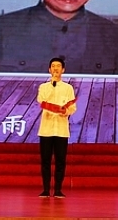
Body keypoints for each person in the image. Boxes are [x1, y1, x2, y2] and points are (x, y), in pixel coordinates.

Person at [36, 57, 77, 198]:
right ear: (49, 69)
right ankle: (46, 189)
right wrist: (52, 85)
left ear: (63, 70)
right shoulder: (43, 87)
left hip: (61, 129)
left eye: (58, 66)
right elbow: (41, 100)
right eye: (53, 66)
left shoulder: (68, 88)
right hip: (46, 129)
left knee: (60, 160)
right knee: (45, 160)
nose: (55, 68)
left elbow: (73, 107)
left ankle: (58, 189)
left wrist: (65, 111)